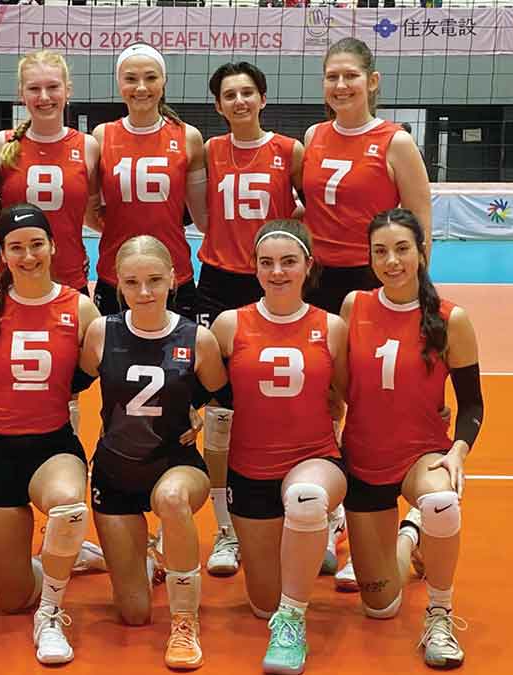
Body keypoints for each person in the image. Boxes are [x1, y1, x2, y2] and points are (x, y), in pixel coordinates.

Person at [0, 204, 100, 665]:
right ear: (4, 253)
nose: (28, 255)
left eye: (36, 244)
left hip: (52, 445)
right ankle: (70, 560)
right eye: (16, 247)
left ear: (53, 246)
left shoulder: (80, 308)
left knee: (69, 507)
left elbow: (91, 375)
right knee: (11, 597)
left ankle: (50, 613)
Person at [301, 37, 432, 584]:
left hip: (376, 279)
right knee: (324, 398)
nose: (340, 86)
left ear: (372, 81)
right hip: (319, 281)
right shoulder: (312, 136)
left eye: (351, 76)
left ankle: (410, 524)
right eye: (332, 76)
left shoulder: (395, 141)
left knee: (380, 399)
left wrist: (415, 297)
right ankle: (333, 522)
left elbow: (420, 223)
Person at [340, 208, 483, 669]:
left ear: (421, 252)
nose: (392, 261)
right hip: (363, 457)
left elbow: (472, 405)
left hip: (421, 452)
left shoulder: (449, 319)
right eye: (380, 251)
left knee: (442, 501)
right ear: (369, 257)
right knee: (379, 605)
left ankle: (439, 612)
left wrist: (457, 451)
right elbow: (339, 385)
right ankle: (409, 534)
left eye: (402, 249)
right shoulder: (354, 306)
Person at [78, 235, 229, 670]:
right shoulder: (101, 332)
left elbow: (222, 394)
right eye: (132, 282)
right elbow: (68, 385)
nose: (144, 292)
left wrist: (197, 412)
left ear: (173, 281)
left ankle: (185, 620)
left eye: (154, 281)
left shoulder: (197, 339)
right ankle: (145, 555)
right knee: (134, 614)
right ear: (117, 285)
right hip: (114, 473)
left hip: (176, 467)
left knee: (171, 500)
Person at [210, 220, 347, 674]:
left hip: (314, 458)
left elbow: (350, 397)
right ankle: (304, 555)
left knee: (305, 500)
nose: (277, 272)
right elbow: (206, 392)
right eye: (267, 263)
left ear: (308, 265)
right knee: (261, 605)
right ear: (254, 268)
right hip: (250, 470)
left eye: (289, 262)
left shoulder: (332, 327)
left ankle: (294, 621)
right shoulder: (231, 324)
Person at [196, 61, 305, 578]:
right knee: (221, 412)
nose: (239, 102)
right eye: (229, 96)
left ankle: (311, 518)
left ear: (263, 98)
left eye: (247, 93)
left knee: (293, 400)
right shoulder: (209, 151)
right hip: (220, 284)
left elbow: (316, 208)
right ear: (218, 106)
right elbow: (197, 213)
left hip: (277, 279)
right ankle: (226, 529)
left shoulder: (289, 151)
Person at [92, 43, 208, 320]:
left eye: (151, 77)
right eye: (131, 78)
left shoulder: (188, 137)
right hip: (115, 273)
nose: (141, 87)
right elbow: (90, 210)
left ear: (164, 81)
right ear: (119, 83)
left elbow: (202, 218)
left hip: (174, 273)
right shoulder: (101, 136)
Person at [0, 49, 100, 296]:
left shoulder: (88, 146)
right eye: (33, 89)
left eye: (53, 87)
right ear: (21, 94)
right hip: (12, 279)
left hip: (69, 279)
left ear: (67, 90)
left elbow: (93, 213)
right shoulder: (2, 144)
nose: (44, 97)